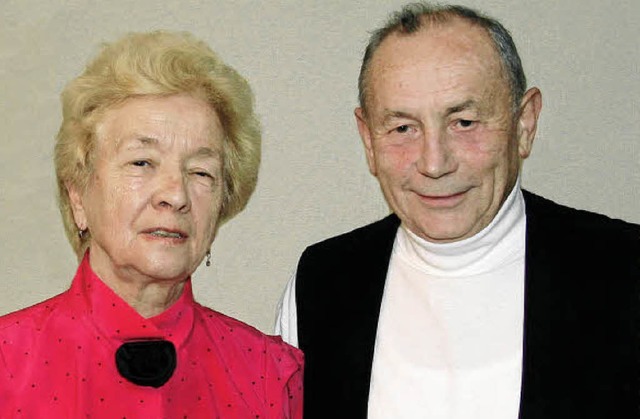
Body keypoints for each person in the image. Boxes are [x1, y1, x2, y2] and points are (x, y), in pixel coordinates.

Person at [276, 3, 639, 418]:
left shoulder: (626, 271)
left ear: (525, 124)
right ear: (368, 139)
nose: (434, 162)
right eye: (402, 129)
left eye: (463, 122)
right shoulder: (320, 284)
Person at [0, 30, 303, 418]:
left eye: (201, 172)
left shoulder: (270, 374)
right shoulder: (8, 363)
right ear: (78, 196)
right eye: (142, 162)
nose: (175, 195)